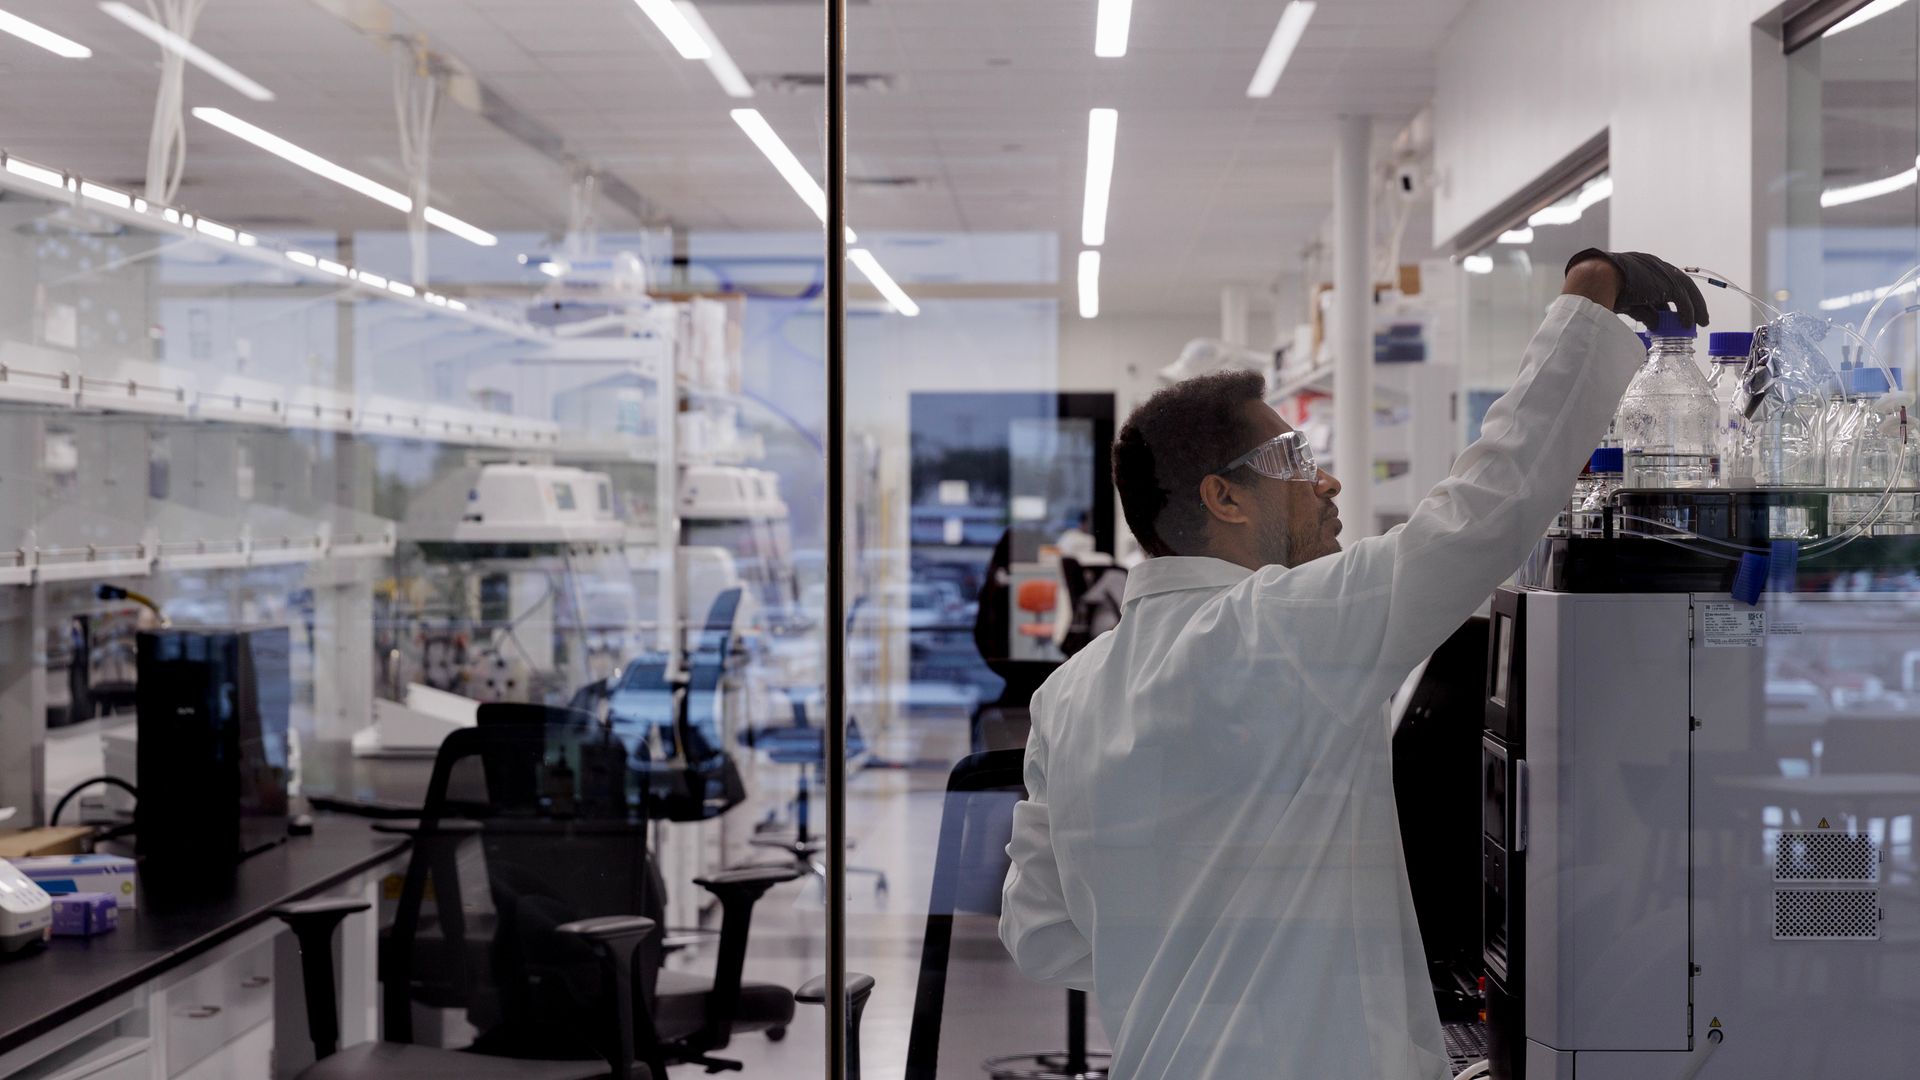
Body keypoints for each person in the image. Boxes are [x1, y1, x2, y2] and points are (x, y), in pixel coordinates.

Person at [998, 251, 1707, 1079]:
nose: (1326, 480)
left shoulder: (1067, 695)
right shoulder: (1278, 630)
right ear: (1223, 499)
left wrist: (1187, 950)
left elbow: (1041, 936)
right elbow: (1485, 510)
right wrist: (1588, 301)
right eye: (1295, 463)